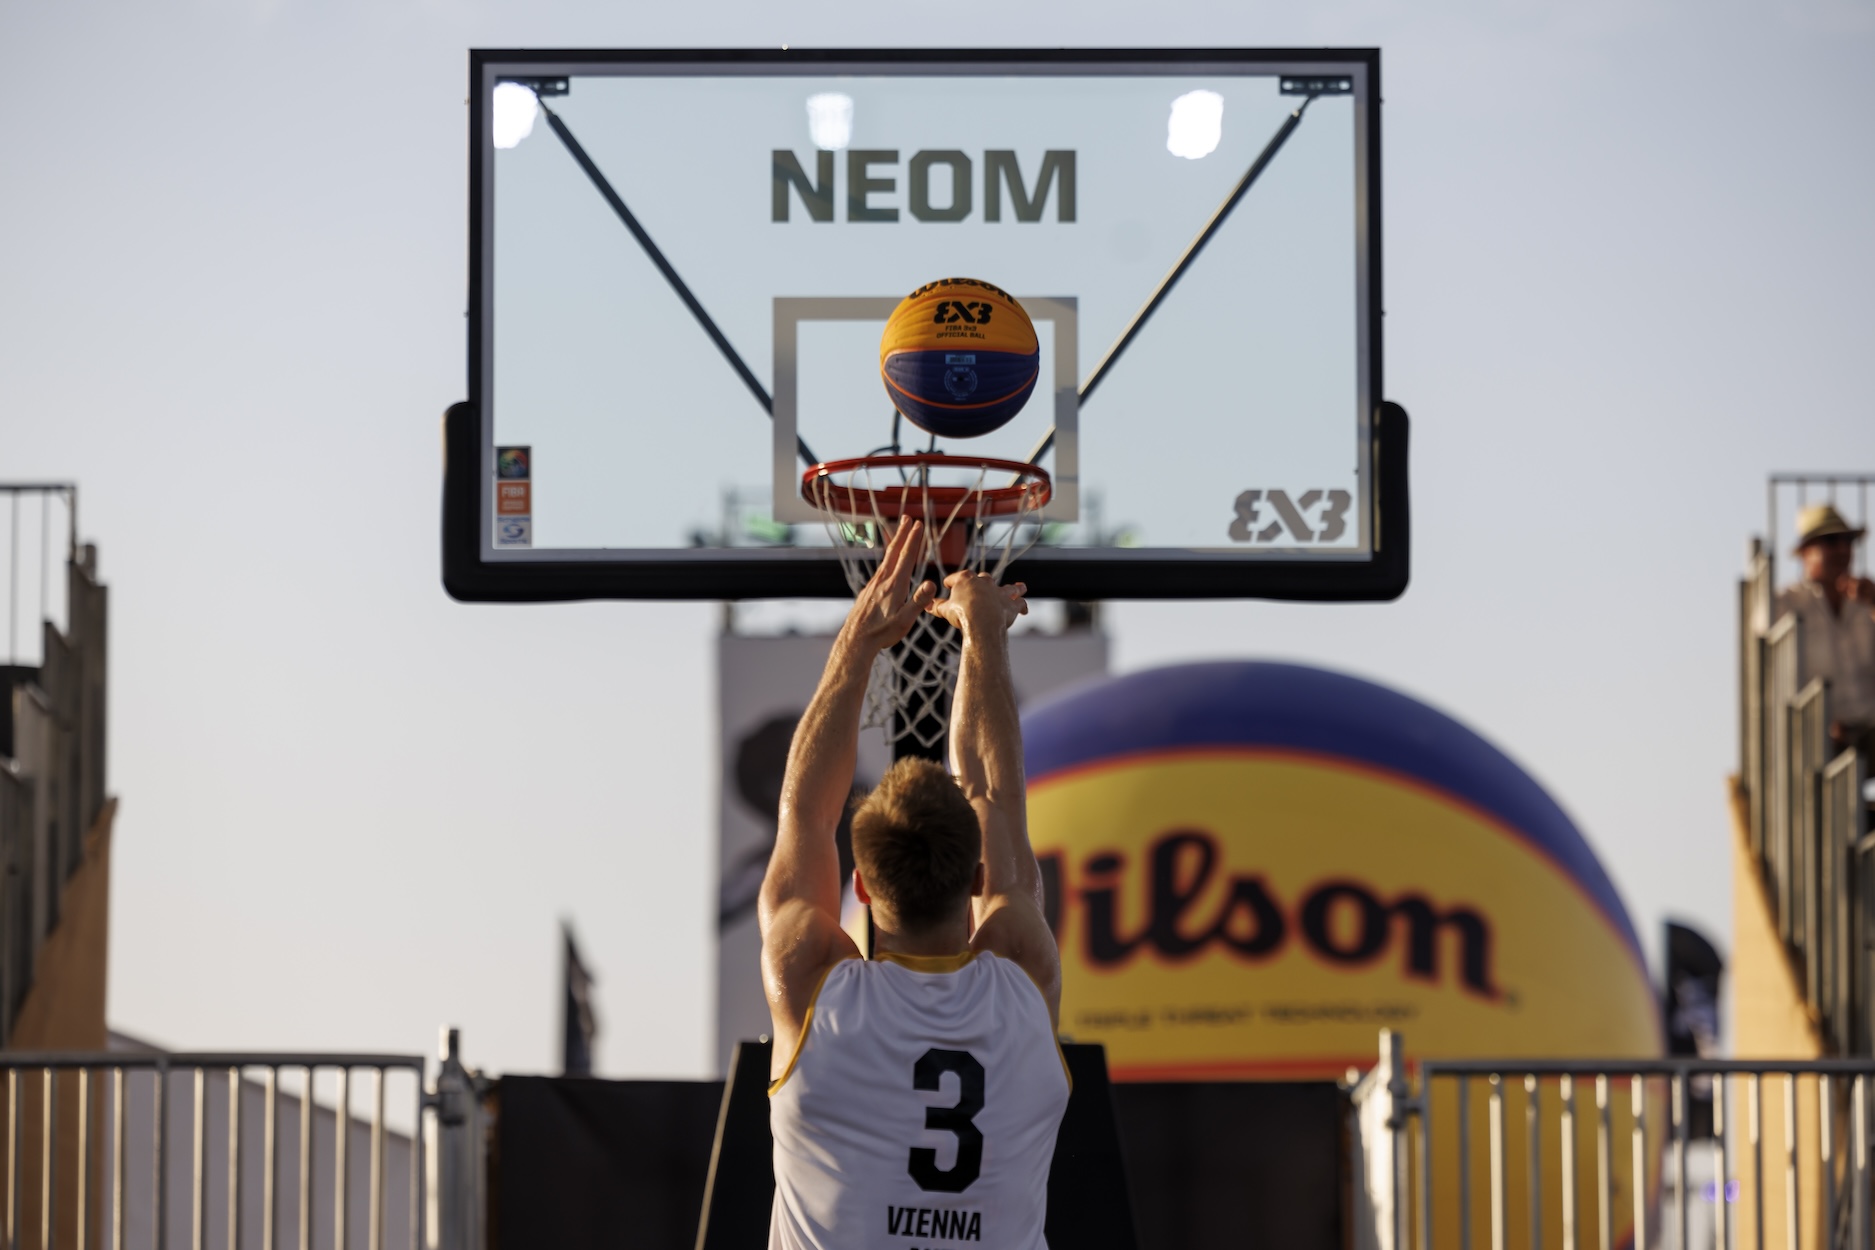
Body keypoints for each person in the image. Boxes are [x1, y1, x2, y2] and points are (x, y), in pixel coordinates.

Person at [759, 519, 1068, 1250]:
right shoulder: (1022, 973)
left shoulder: (809, 980)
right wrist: (983, 632)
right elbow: (996, 796)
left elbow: (805, 815)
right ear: (978, 877)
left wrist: (857, 645)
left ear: (862, 888)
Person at [1775, 504, 1875, 749]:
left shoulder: (1866, 599)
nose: (1843, 549)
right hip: (1811, 741)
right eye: (1831, 541)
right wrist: (1820, 725)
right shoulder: (1784, 604)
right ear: (1805, 552)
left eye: (1848, 541)